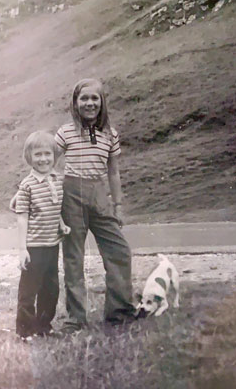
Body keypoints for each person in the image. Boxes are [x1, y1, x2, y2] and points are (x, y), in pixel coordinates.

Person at [55, 78, 136, 332]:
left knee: (119, 251)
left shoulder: (109, 135)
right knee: (74, 258)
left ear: (102, 103)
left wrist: (118, 204)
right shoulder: (65, 132)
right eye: (84, 98)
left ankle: (120, 312)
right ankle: (75, 319)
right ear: (75, 103)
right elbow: (48, 162)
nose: (89, 103)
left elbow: (113, 173)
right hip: (72, 196)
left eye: (94, 99)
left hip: (100, 196)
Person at [14, 130, 70, 340]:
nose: (43, 159)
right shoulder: (27, 185)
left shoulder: (57, 179)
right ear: (29, 157)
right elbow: (22, 217)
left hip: (52, 245)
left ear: (54, 156)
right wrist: (22, 249)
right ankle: (25, 331)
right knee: (29, 291)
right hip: (34, 247)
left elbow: (54, 209)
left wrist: (62, 225)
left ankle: (43, 326)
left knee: (50, 288)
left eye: (47, 154)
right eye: (38, 155)